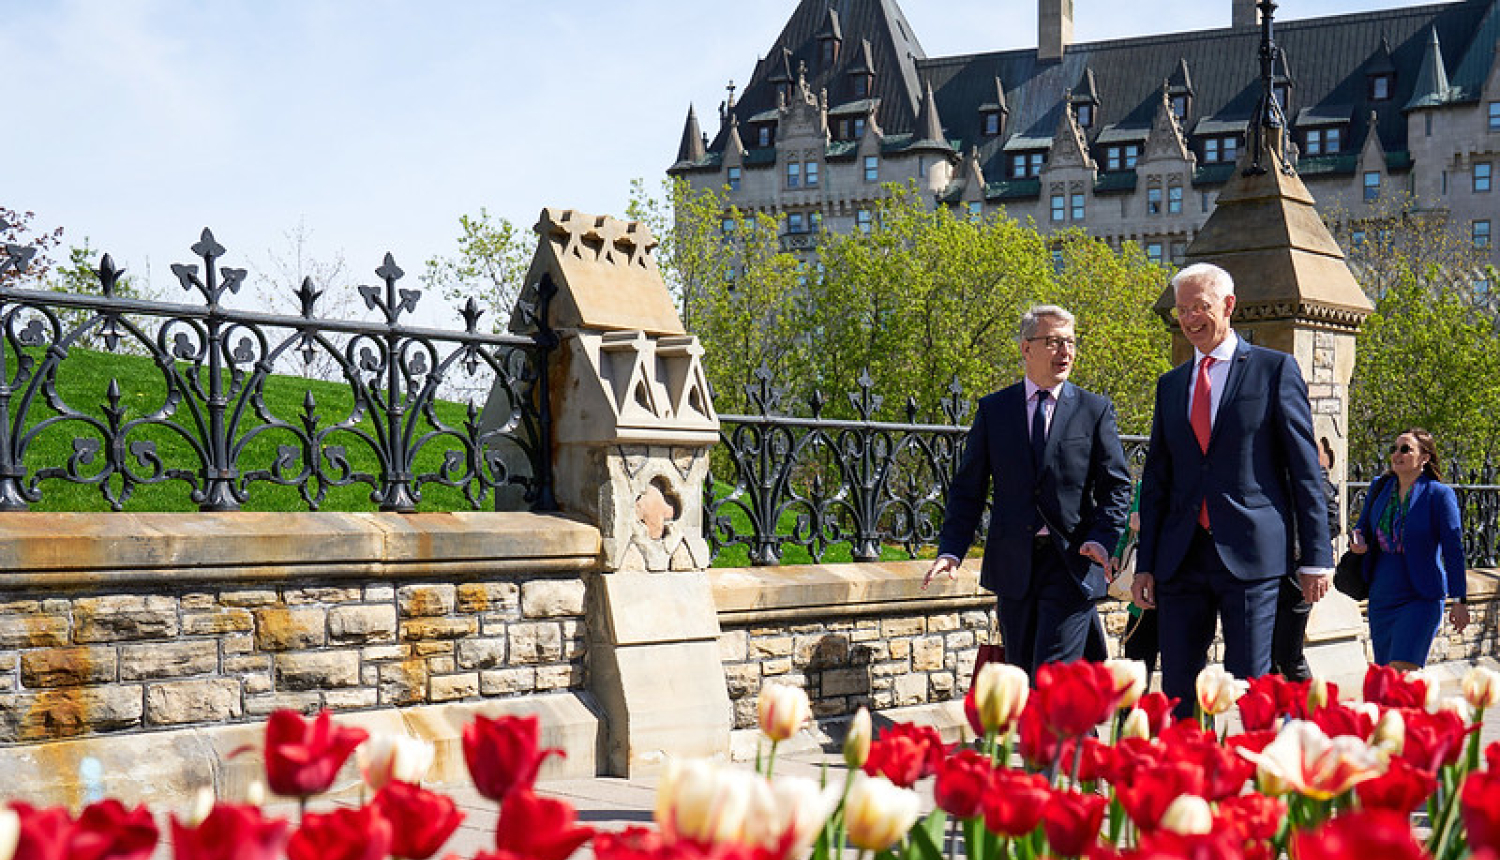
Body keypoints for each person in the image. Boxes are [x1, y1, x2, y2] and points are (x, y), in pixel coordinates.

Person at [1132, 263, 1332, 716]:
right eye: (1182, 310)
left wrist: (1316, 556)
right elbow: (1158, 479)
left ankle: (1255, 779)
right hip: (1180, 558)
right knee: (1180, 686)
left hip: (1252, 556)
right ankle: (1191, 779)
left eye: (1200, 307)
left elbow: (1304, 471)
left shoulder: (1273, 370)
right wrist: (1146, 565)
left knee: (1250, 683)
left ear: (1228, 306)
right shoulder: (1170, 386)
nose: (1190, 319)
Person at [924, 305, 1131, 679]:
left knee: (1050, 677)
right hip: (1013, 566)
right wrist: (952, 550)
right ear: (1026, 349)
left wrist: (1103, 539)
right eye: (1053, 342)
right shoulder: (994, 410)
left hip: (1071, 563)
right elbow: (968, 489)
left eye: (1070, 342)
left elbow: (1117, 486)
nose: (1065, 352)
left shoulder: (1094, 410)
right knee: (1019, 674)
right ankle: (1071, 737)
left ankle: (1055, 737)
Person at [1349, 428, 1469, 670]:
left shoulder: (1438, 495)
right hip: (1382, 595)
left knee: (1402, 671)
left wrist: (1460, 599)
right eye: (1395, 448)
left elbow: (1453, 550)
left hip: (1421, 596)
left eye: (1406, 449)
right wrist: (1357, 542)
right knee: (1386, 677)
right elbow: (1362, 527)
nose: (1397, 454)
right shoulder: (1379, 488)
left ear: (1424, 457)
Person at [1269, 438, 1343, 681]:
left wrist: (1303, 551)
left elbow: (1332, 524)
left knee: (1289, 656)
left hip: (1297, 578)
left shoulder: (1314, 479)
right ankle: (1277, 712)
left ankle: (1311, 710)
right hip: (1271, 574)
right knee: (1268, 656)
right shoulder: (1274, 476)